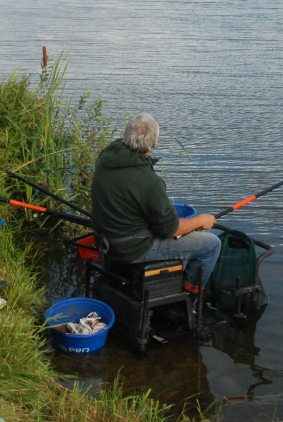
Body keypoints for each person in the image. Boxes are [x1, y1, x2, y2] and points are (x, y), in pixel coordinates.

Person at [91, 112, 220, 293]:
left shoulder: (107, 156)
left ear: (126, 135)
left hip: (103, 241)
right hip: (130, 250)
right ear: (154, 143)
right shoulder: (149, 182)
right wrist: (200, 221)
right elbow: (169, 230)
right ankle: (187, 298)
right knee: (211, 244)